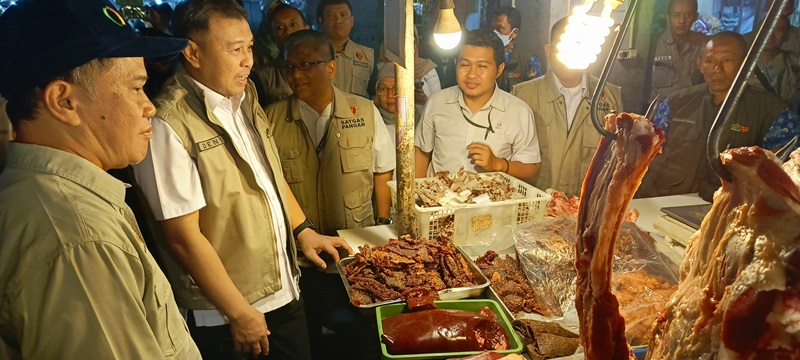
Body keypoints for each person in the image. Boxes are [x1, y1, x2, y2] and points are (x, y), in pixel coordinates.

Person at [132, 1, 352, 359]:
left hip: (282, 287)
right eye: (235, 49)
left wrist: (303, 231)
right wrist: (238, 312)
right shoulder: (169, 124)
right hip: (229, 313)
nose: (248, 60)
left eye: (249, 46)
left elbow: (269, 175)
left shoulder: (244, 96)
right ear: (192, 52)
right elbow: (182, 237)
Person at [0, 0, 200, 358]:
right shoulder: (77, 237)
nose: (149, 106)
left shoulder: (52, 200)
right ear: (64, 102)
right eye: (136, 87)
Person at [638, 31, 800, 201]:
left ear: (746, 65)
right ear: (700, 65)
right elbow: (647, 152)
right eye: (710, 61)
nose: (717, 69)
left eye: (727, 60)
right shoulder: (675, 103)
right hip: (662, 202)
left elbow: (788, 168)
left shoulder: (772, 111)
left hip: (728, 208)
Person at [512, 17, 622, 197]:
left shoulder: (611, 96)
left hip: (585, 208)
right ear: (548, 51)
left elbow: (616, 159)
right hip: (533, 208)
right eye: (563, 48)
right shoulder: (522, 95)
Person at [415, 29, 542, 183]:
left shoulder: (518, 112)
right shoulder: (437, 103)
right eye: (465, 65)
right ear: (456, 63)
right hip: (439, 203)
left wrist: (498, 164)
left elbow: (532, 170)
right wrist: (415, 199)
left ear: (499, 70)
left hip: (491, 205)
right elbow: (421, 153)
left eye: (482, 66)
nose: (471, 74)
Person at [251, 3, 310, 106]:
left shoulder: (324, 66)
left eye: (293, 24)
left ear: (306, 29)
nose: (288, 31)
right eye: (280, 27)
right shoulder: (263, 77)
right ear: (272, 36)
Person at [649, 0, 708, 100]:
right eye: (676, 15)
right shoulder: (653, 44)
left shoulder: (703, 44)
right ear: (668, 17)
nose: (681, 21)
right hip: (657, 110)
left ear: (695, 17)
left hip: (690, 108)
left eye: (688, 15)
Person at [317, 0, 375, 97]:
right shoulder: (311, 54)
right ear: (321, 21)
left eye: (343, 15)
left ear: (352, 21)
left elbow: (374, 93)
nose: (338, 21)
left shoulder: (367, 56)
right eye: (331, 16)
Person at [748, 15, 800, 109]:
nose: (770, 35)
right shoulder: (742, 64)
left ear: (786, 36)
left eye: (777, 30)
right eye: (766, 29)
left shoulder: (795, 64)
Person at [490, 6, 534, 91]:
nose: (494, 33)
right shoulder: (486, 56)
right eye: (492, 28)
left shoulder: (528, 61)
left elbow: (535, 93)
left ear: (514, 33)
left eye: (500, 28)